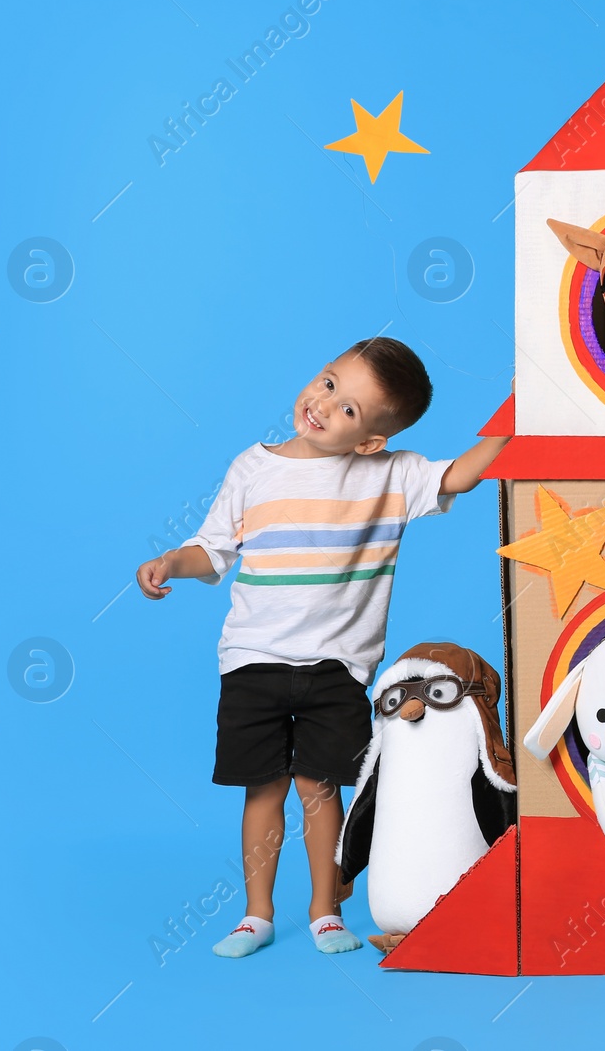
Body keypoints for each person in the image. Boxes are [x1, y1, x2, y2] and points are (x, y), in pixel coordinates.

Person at [135, 337, 507, 957]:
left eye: (352, 410)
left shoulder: (391, 475)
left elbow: (463, 475)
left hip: (338, 666)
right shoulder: (251, 468)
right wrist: (173, 560)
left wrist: (514, 417)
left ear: (369, 442)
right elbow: (215, 551)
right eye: (330, 383)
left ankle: (324, 910)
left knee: (320, 788)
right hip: (253, 657)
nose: (325, 404)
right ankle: (256, 914)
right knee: (264, 789)